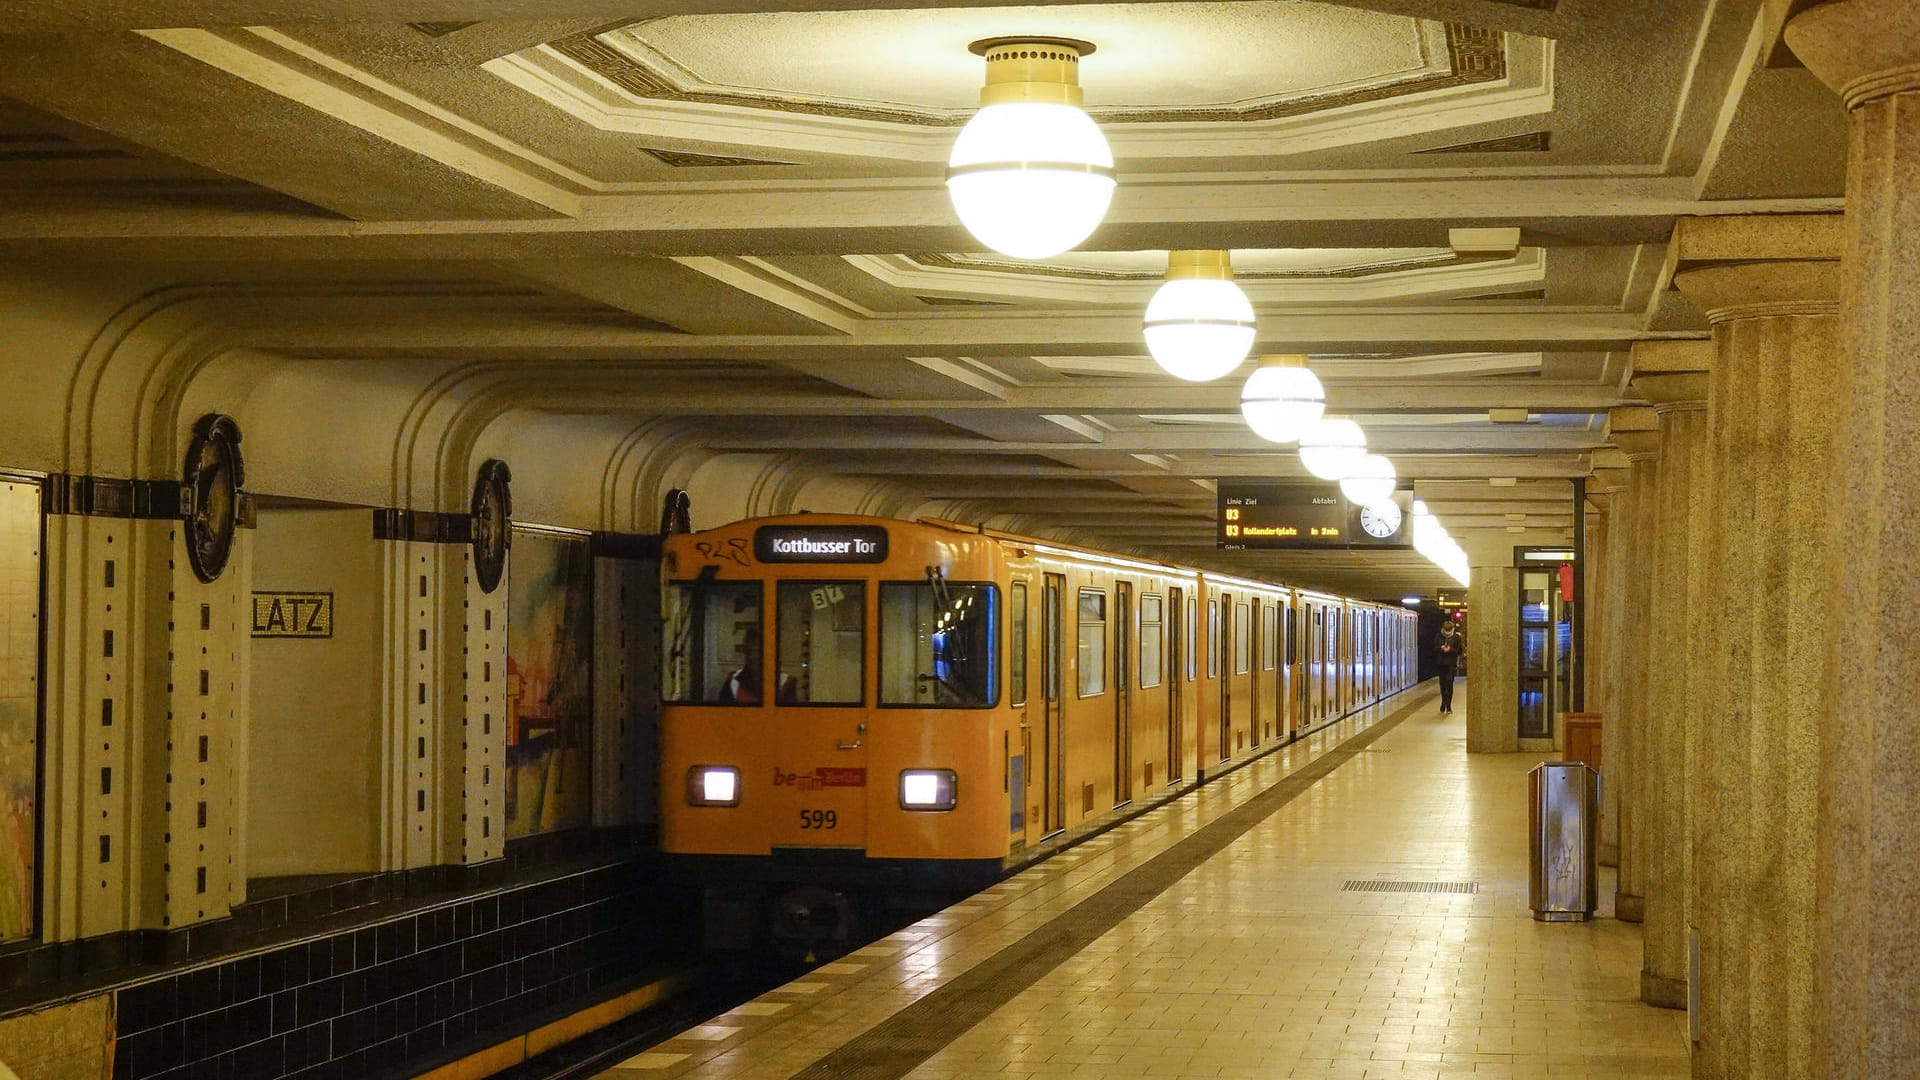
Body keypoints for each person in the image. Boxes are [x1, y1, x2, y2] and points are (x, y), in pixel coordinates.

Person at [717, 626, 796, 704]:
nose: (752, 656)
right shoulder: (733, 683)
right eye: (749, 650)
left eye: (758, 651)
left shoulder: (785, 683)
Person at [1435, 620, 1463, 713]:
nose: (1447, 632)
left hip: (1451, 664)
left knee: (1449, 684)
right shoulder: (1438, 636)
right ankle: (1443, 701)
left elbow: (1459, 651)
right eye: (1445, 630)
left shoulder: (1456, 637)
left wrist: (1450, 649)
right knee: (1442, 684)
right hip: (1441, 663)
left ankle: (1449, 705)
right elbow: (1433, 648)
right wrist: (1440, 648)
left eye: (1449, 630)